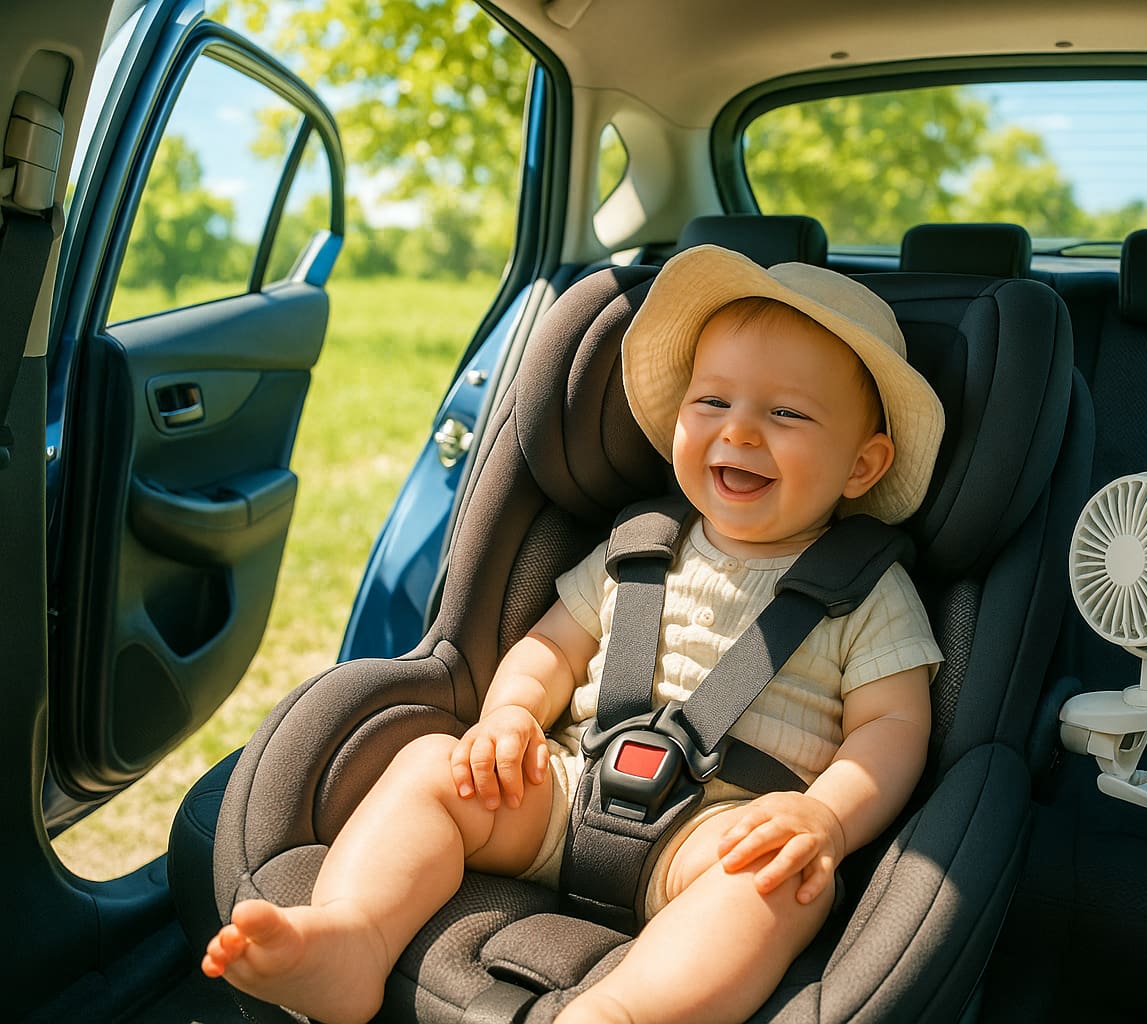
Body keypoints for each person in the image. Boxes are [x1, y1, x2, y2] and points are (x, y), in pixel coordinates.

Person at [201, 244, 946, 1024]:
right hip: (564, 787)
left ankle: (622, 1012)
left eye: (786, 413)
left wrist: (824, 816)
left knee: (783, 885)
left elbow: (892, 729)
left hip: (721, 831)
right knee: (432, 766)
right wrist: (510, 718)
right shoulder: (640, 548)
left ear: (863, 465)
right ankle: (351, 937)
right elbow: (552, 647)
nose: (741, 432)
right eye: (712, 403)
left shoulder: (868, 592)